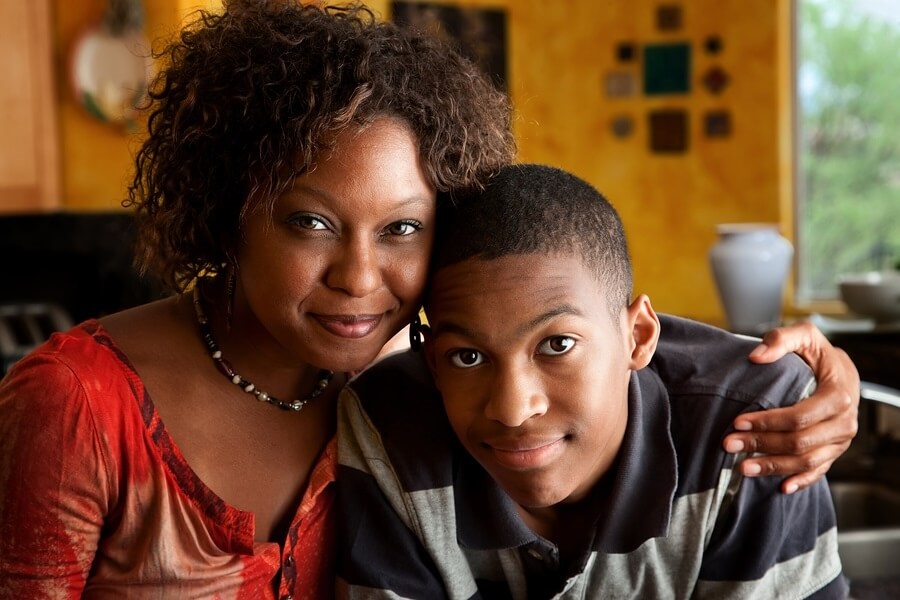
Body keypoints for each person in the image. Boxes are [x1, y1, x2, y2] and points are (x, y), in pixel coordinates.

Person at [0, 0, 855, 597]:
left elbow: (582, 335)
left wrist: (801, 385)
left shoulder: (422, 367)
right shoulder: (75, 404)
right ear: (230, 213)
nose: (361, 278)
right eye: (310, 223)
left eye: (403, 229)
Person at [335, 164, 848, 599]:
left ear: (638, 336)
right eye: (467, 356)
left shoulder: (757, 423)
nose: (513, 409)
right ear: (429, 358)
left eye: (557, 345)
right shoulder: (388, 426)